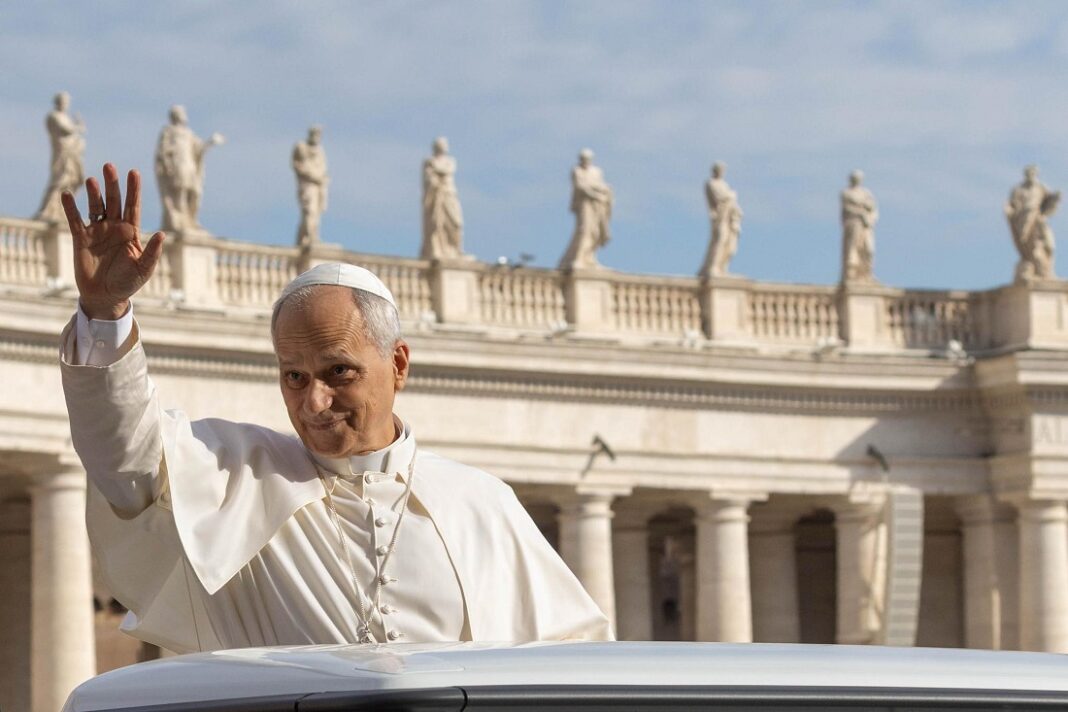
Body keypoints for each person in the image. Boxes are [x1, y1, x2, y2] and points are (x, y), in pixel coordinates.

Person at [59, 164, 612, 654]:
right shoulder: (239, 475)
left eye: (338, 372)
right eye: (293, 376)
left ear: (398, 364)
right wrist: (106, 313)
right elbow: (123, 454)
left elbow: (574, 660)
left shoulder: (481, 505)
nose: (313, 402)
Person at [154, 105, 224, 233]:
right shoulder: (168, 132)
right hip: (177, 165)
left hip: (189, 166)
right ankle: (180, 221)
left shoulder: (189, 134)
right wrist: (168, 166)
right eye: (180, 112)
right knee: (180, 193)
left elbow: (199, 149)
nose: (182, 115)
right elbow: (162, 152)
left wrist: (211, 142)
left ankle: (190, 220)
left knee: (195, 192)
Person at [558, 149, 613, 270]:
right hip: (585, 205)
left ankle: (589, 258)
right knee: (585, 230)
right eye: (583, 159)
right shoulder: (577, 171)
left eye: (587, 159)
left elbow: (600, 185)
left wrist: (605, 190)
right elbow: (581, 187)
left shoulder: (596, 171)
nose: (585, 161)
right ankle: (578, 258)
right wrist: (597, 194)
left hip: (598, 205)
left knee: (596, 232)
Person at [36, 92, 86, 222]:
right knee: (61, 179)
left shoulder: (65, 117)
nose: (65, 103)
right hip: (63, 153)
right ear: (58, 102)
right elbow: (66, 130)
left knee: (75, 180)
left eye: (67, 101)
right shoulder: (53, 116)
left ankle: (62, 210)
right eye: (63, 101)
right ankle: (50, 210)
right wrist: (78, 126)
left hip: (72, 152)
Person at [1006, 165, 1060, 283]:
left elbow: (1050, 199)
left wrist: (1055, 198)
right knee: (1028, 244)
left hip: (1037, 218)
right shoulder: (1018, 190)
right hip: (1023, 220)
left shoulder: (1040, 187)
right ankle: (1034, 268)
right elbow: (1012, 205)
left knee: (1046, 245)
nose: (1031, 175)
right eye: (1029, 173)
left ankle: (1044, 271)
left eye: (1033, 173)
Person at [421, 137, 464, 260]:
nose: (443, 146)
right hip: (437, 196)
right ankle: (438, 249)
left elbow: (448, 170)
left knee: (456, 223)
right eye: (441, 144)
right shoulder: (429, 161)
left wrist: (435, 169)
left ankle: (456, 249)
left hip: (449, 193)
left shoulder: (449, 161)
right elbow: (428, 179)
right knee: (437, 223)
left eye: (445, 144)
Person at [699, 162, 743, 278]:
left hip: (729, 216)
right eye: (720, 169)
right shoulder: (711, 183)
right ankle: (713, 267)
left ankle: (722, 267)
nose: (721, 172)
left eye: (723, 169)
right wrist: (731, 195)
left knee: (730, 244)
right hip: (721, 216)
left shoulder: (724, 184)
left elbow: (728, 197)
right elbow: (721, 197)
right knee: (721, 239)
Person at [292, 126, 329, 247]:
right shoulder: (301, 147)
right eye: (315, 133)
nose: (317, 136)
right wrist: (314, 176)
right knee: (310, 211)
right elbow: (298, 166)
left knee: (315, 213)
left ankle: (308, 238)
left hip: (319, 186)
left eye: (319, 134)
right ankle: (310, 238)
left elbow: (323, 169)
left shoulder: (320, 150)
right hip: (308, 185)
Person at [840, 170, 878, 283]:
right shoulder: (846, 193)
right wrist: (861, 213)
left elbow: (873, 210)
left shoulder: (867, 194)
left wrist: (870, 219)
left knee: (868, 249)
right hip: (854, 223)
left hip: (866, 225)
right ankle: (852, 273)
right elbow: (846, 209)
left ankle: (866, 274)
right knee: (853, 247)